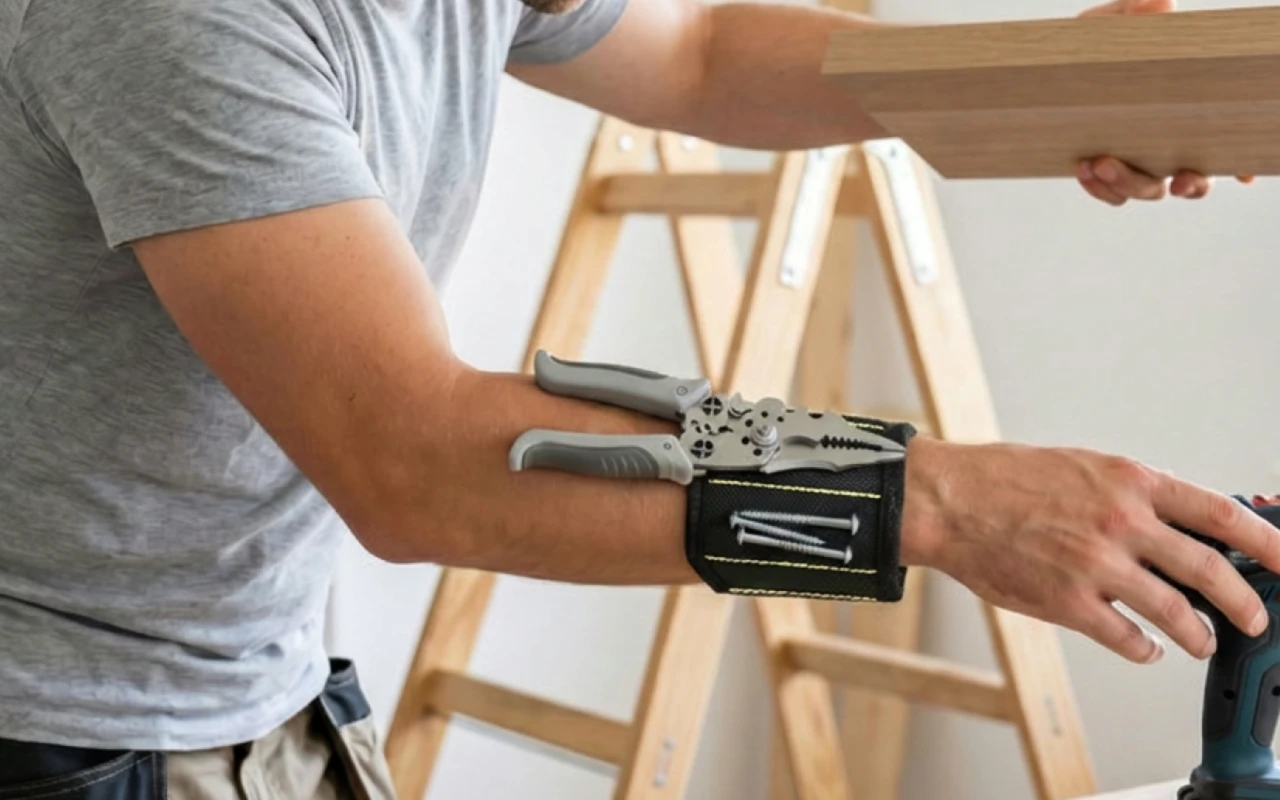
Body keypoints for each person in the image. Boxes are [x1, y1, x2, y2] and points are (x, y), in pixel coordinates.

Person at [0, 0, 1271, 794]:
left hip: (264, 691)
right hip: (67, 726)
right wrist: (934, 500)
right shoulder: (169, 18)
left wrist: (1055, 77)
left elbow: (696, 52)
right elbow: (418, 463)